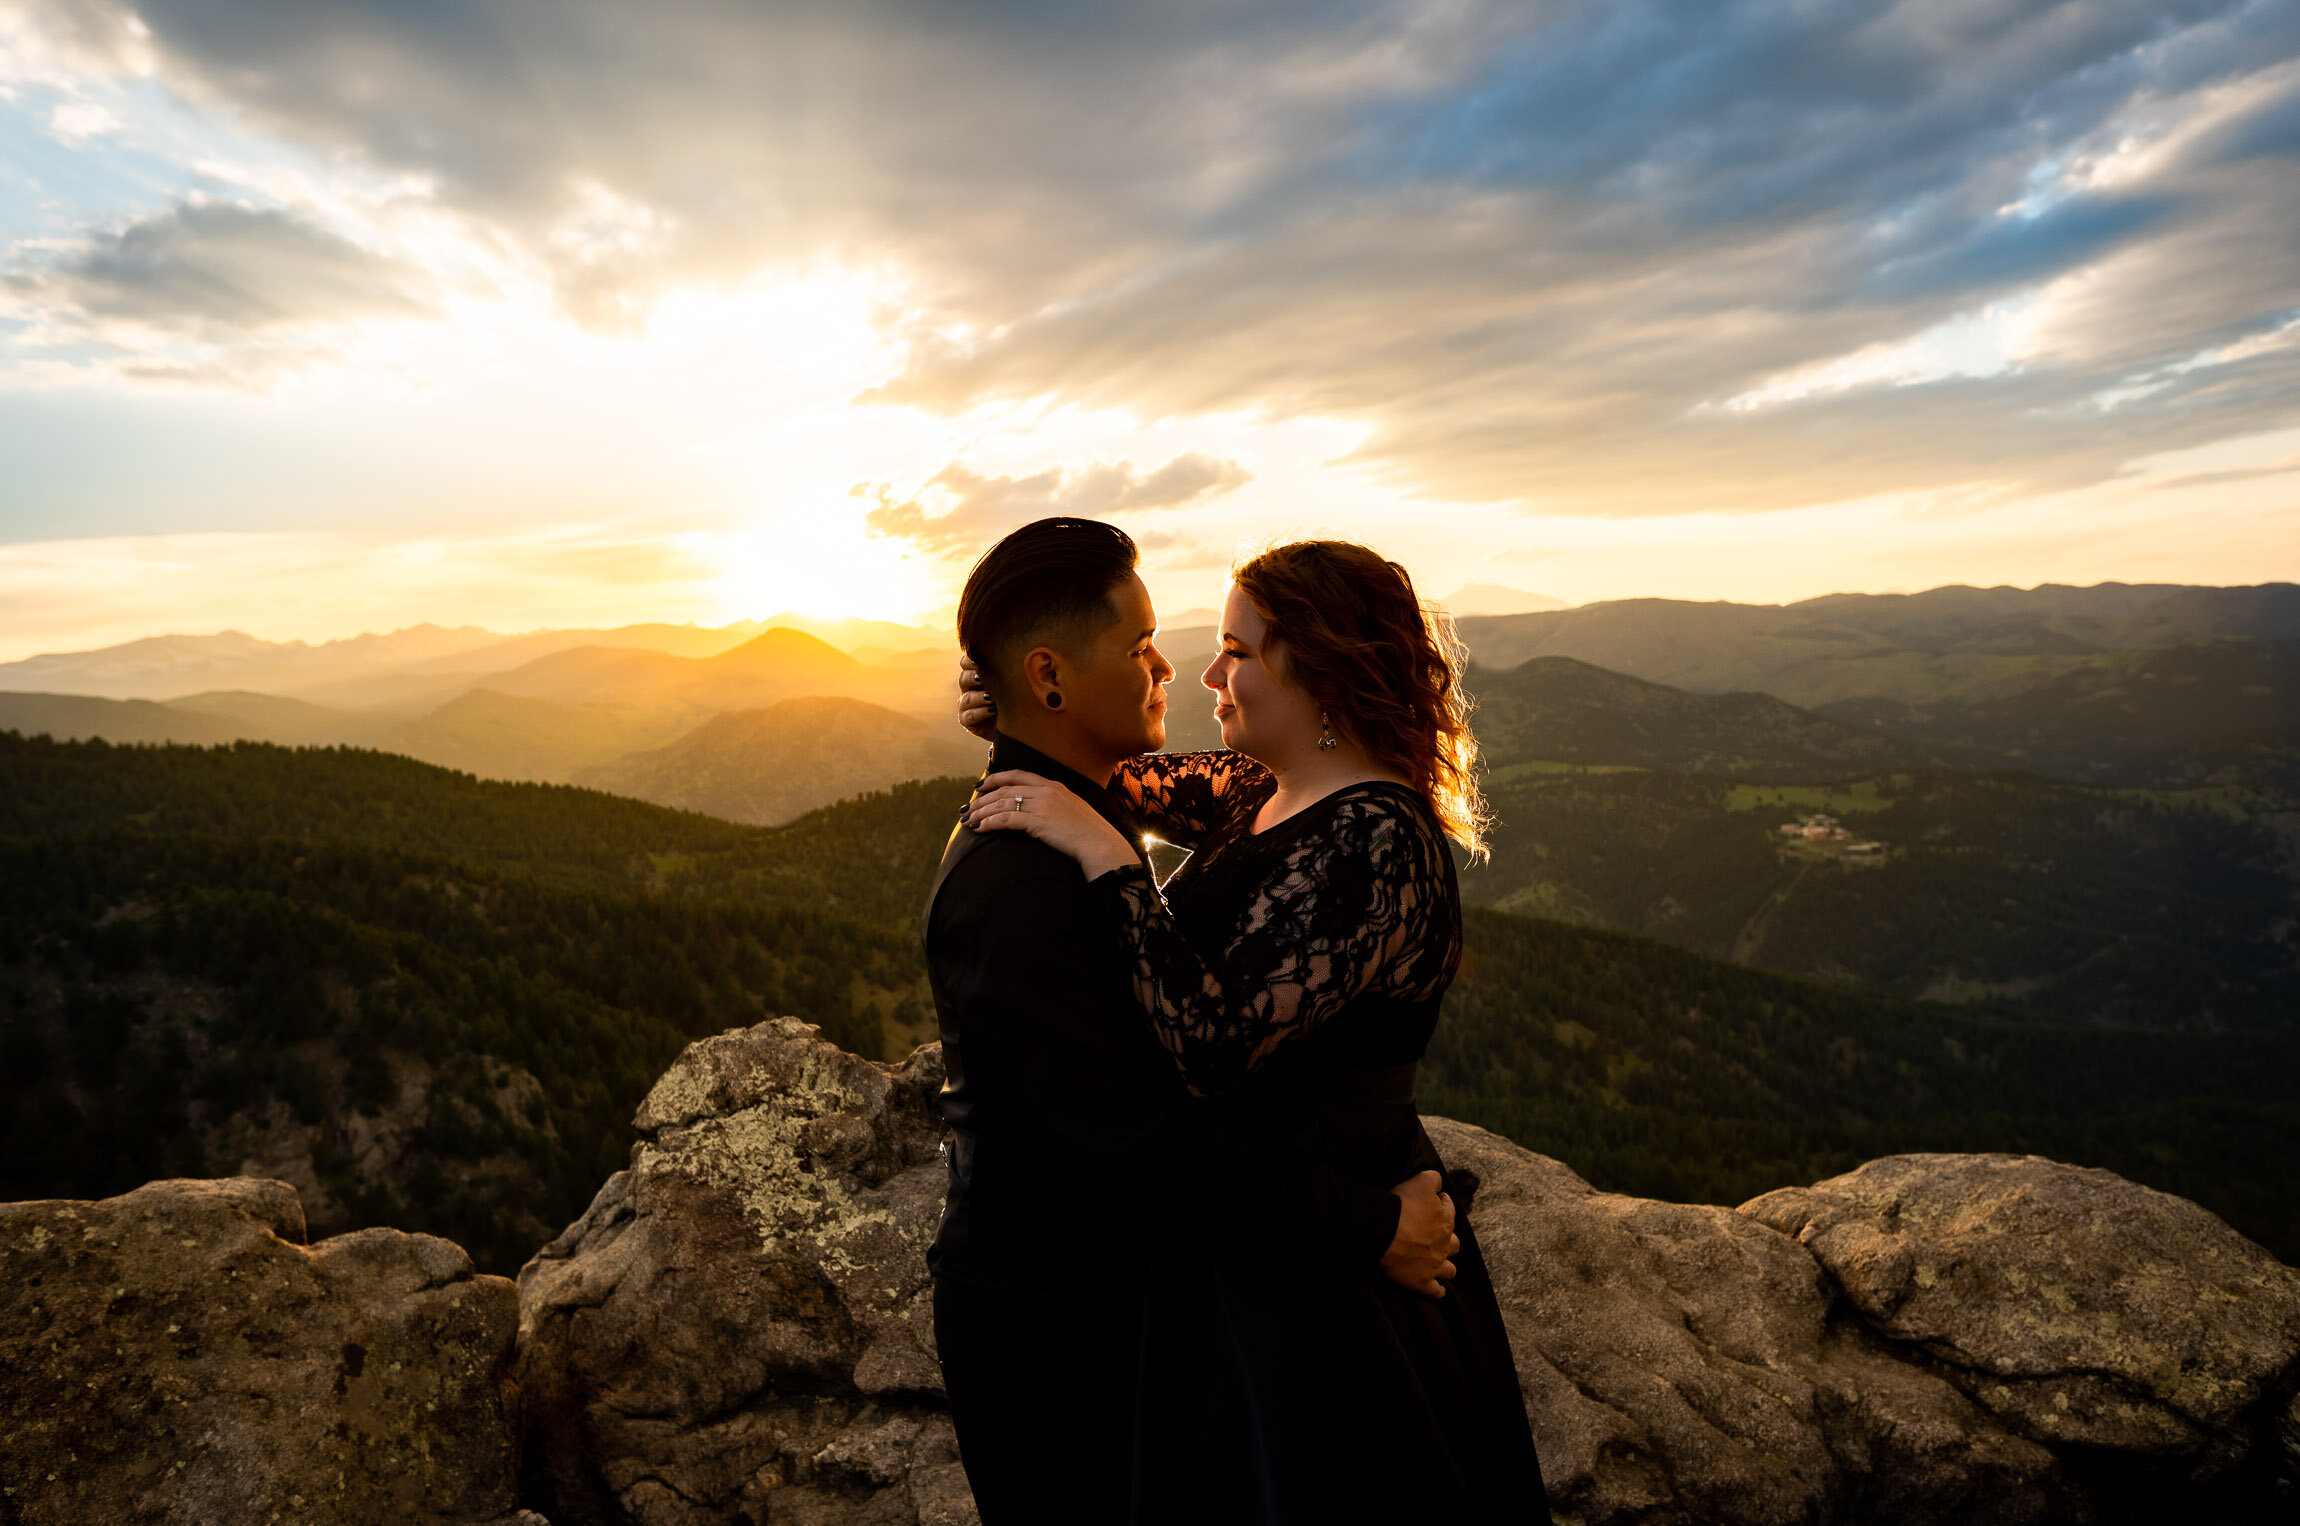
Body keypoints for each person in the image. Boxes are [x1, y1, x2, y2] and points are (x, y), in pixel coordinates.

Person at [963, 538, 1552, 1524]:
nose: (1207, 673)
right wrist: (1020, 696)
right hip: (1245, 1231)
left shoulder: (1380, 838)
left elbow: (1210, 1044)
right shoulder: (1253, 786)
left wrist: (1115, 865)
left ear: (1318, 668)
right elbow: (1087, 779)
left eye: (1236, 651)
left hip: (1335, 1272)